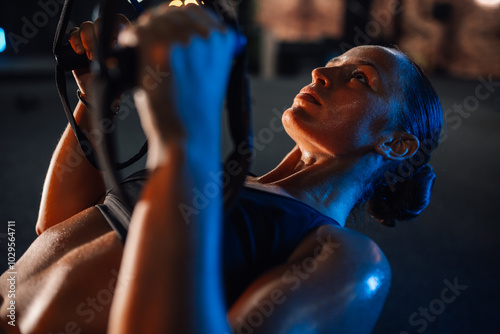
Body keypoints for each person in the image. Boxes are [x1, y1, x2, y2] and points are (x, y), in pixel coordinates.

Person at [0, 4, 443, 333]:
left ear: (397, 144)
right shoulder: (211, 178)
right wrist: (98, 98)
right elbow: (57, 231)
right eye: (331, 66)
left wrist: (182, 138)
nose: (320, 75)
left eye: (359, 78)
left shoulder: (349, 259)